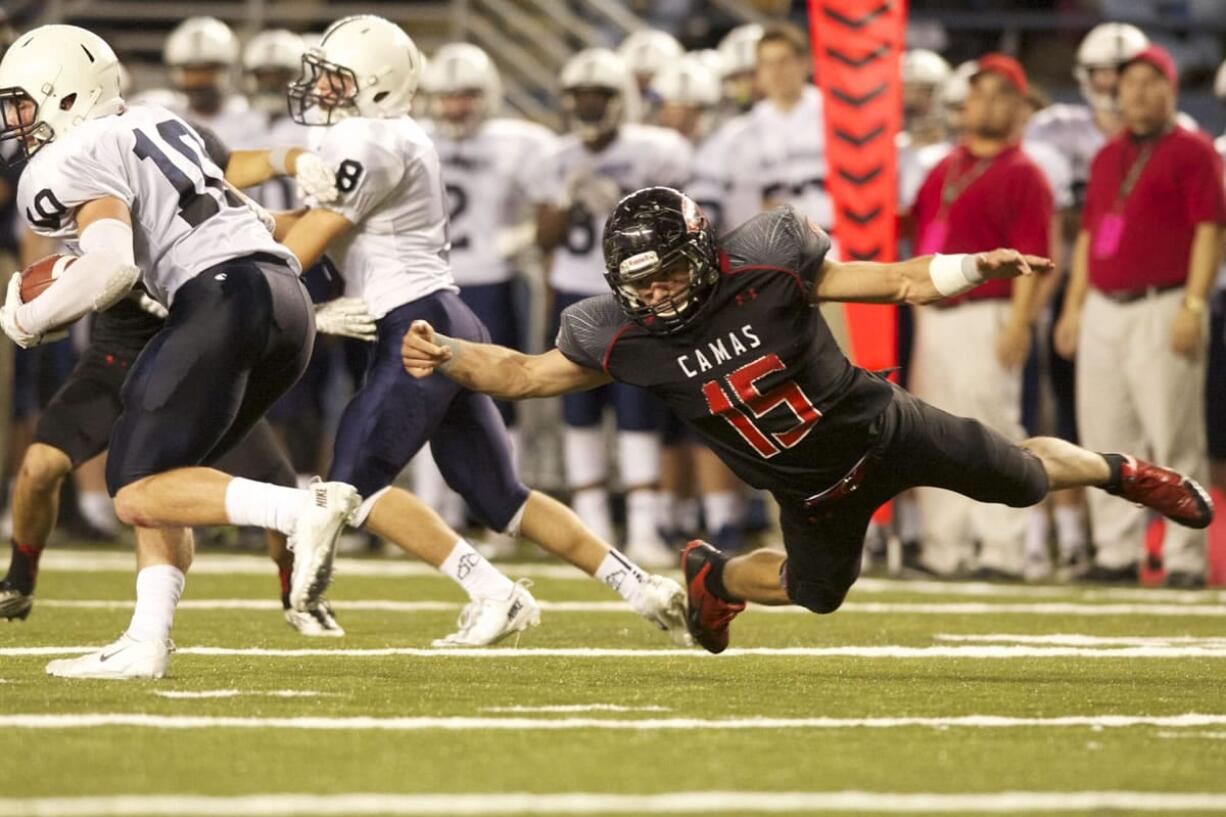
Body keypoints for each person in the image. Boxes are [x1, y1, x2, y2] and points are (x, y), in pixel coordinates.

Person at [402, 186, 1213, 654]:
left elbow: (896, 281)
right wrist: (444, 353)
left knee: (1024, 477)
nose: (655, 296)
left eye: (668, 275)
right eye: (637, 285)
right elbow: (519, 374)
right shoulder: (621, 335)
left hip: (883, 425)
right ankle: (712, 575)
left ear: (704, 249)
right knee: (814, 593)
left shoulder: (769, 264)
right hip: (810, 489)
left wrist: (974, 266)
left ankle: (1128, 473)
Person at [275, 15, 690, 646]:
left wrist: (301, 309)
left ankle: (315, 603)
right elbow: (300, 226)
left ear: (377, 85)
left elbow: (301, 249)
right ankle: (639, 588)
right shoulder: (388, 134)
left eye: (338, 79)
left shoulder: (370, 140)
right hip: (439, 314)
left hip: (410, 329)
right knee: (502, 497)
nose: (324, 91)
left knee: (344, 489)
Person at [0, 24, 359, 679]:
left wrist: (27, 315)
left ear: (65, 97)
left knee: (134, 490)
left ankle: (298, 508)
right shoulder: (160, 121)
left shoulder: (67, 157)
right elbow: (238, 209)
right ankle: (146, 640)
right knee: (165, 480)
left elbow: (107, 267)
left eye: (23, 102)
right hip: (282, 297)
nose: (17, 120)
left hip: (218, 298)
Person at [1053, 45, 1224, 588]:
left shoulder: (1194, 150)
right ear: (1117, 92)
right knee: (1105, 434)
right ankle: (1115, 551)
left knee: (1172, 433)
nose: (1141, 93)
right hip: (1104, 306)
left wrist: (1194, 304)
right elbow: (1086, 236)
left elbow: (1209, 230)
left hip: (1164, 301)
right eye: (1131, 83)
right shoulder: (1108, 155)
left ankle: (1184, 559)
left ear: (1171, 88)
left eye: (1153, 82)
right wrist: (1074, 306)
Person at [533, 47, 691, 566]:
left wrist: (621, 200)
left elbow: (681, 224)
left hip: (635, 295)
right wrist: (567, 196)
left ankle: (644, 529)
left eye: (599, 96)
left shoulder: (654, 152)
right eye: (581, 96)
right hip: (574, 291)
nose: (589, 106)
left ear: (621, 99)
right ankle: (592, 527)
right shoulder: (557, 156)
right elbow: (545, 238)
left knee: (637, 411)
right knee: (579, 412)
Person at [908, 54, 1054, 579]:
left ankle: (1003, 550)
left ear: (1019, 107)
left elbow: (1038, 258)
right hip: (935, 314)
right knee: (931, 433)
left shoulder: (1024, 173)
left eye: (999, 94)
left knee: (994, 428)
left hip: (989, 312)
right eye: (978, 93)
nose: (985, 104)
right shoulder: (945, 167)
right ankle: (942, 549)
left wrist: (1020, 324)